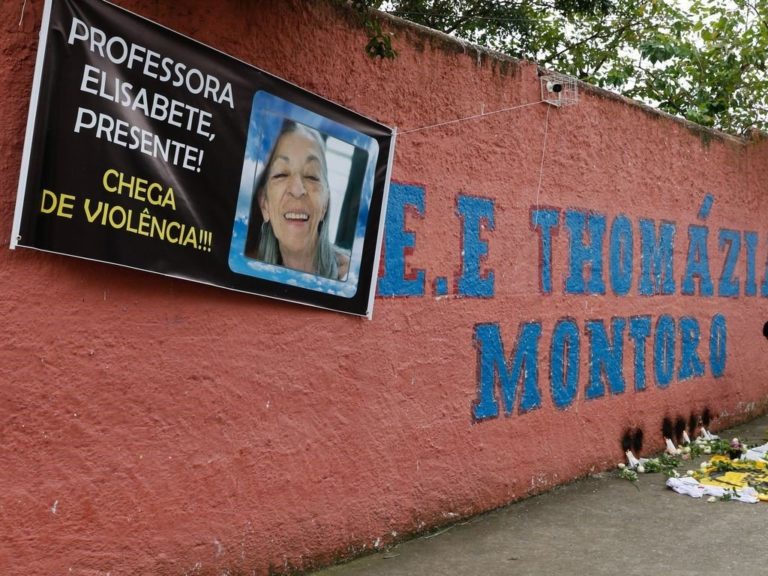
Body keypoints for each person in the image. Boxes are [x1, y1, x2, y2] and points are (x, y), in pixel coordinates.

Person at [245, 121, 349, 281]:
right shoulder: (249, 271)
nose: (297, 189)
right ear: (264, 205)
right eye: (281, 174)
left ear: (325, 204)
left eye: (312, 176)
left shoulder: (351, 276)